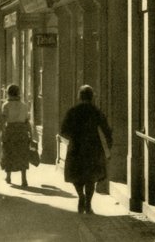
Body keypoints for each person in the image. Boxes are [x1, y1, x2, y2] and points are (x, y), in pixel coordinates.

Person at [60, 84, 112, 214]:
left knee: (76, 175)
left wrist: (72, 137)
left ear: (79, 96)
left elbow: (64, 130)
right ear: (92, 97)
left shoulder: (73, 111)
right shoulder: (96, 111)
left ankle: (80, 196)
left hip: (76, 146)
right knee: (91, 176)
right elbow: (106, 130)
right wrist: (108, 146)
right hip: (93, 147)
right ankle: (88, 202)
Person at [1, 84, 31, 187]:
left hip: (11, 130)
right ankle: (24, 179)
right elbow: (27, 121)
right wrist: (30, 134)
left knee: (9, 152)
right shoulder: (24, 105)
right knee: (22, 153)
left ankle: (8, 176)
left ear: (8, 93)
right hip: (22, 131)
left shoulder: (6, 105)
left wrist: (2, 133)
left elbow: (3, 121)